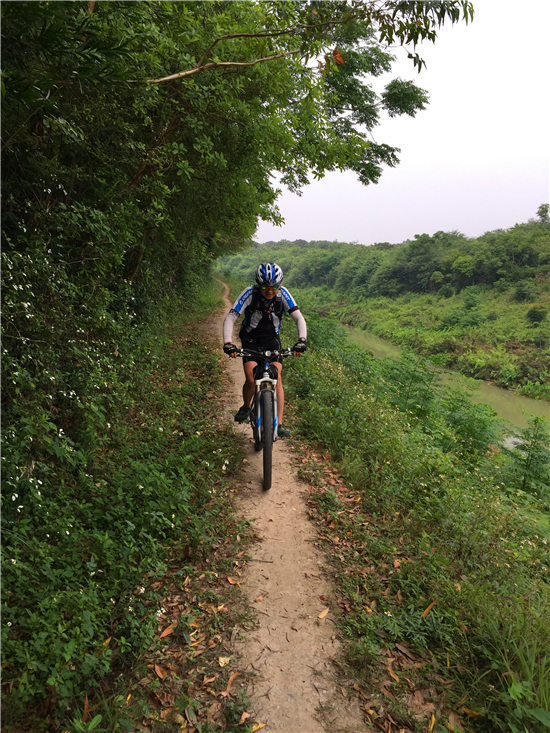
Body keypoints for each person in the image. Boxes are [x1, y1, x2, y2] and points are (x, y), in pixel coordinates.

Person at [223, 263, 307, 438]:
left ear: (279, 285)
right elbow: (231, 317)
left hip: (272, 340)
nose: (270, 291)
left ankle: (280, 423)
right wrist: (228, 342)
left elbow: (298, 318)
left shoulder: (283, 294)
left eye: (274, 287)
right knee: (251, 377)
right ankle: (246, 407)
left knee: (277, 377)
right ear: (258, 285)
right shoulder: (250, 293)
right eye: (265, 287)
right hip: (251, 339)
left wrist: (302, 340)